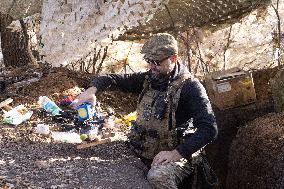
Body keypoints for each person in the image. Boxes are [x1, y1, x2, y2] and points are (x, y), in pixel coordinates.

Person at [71, 33, 218, 189]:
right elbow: (112, 79)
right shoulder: (149, 79)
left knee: (158, 177)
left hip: (177, 154)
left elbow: (209, 128)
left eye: (156, 62)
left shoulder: (191, 87)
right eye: (149, 61)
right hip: (143, 150)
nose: (151, 67)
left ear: (173, 59)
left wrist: (176, 153)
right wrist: (91, 90)